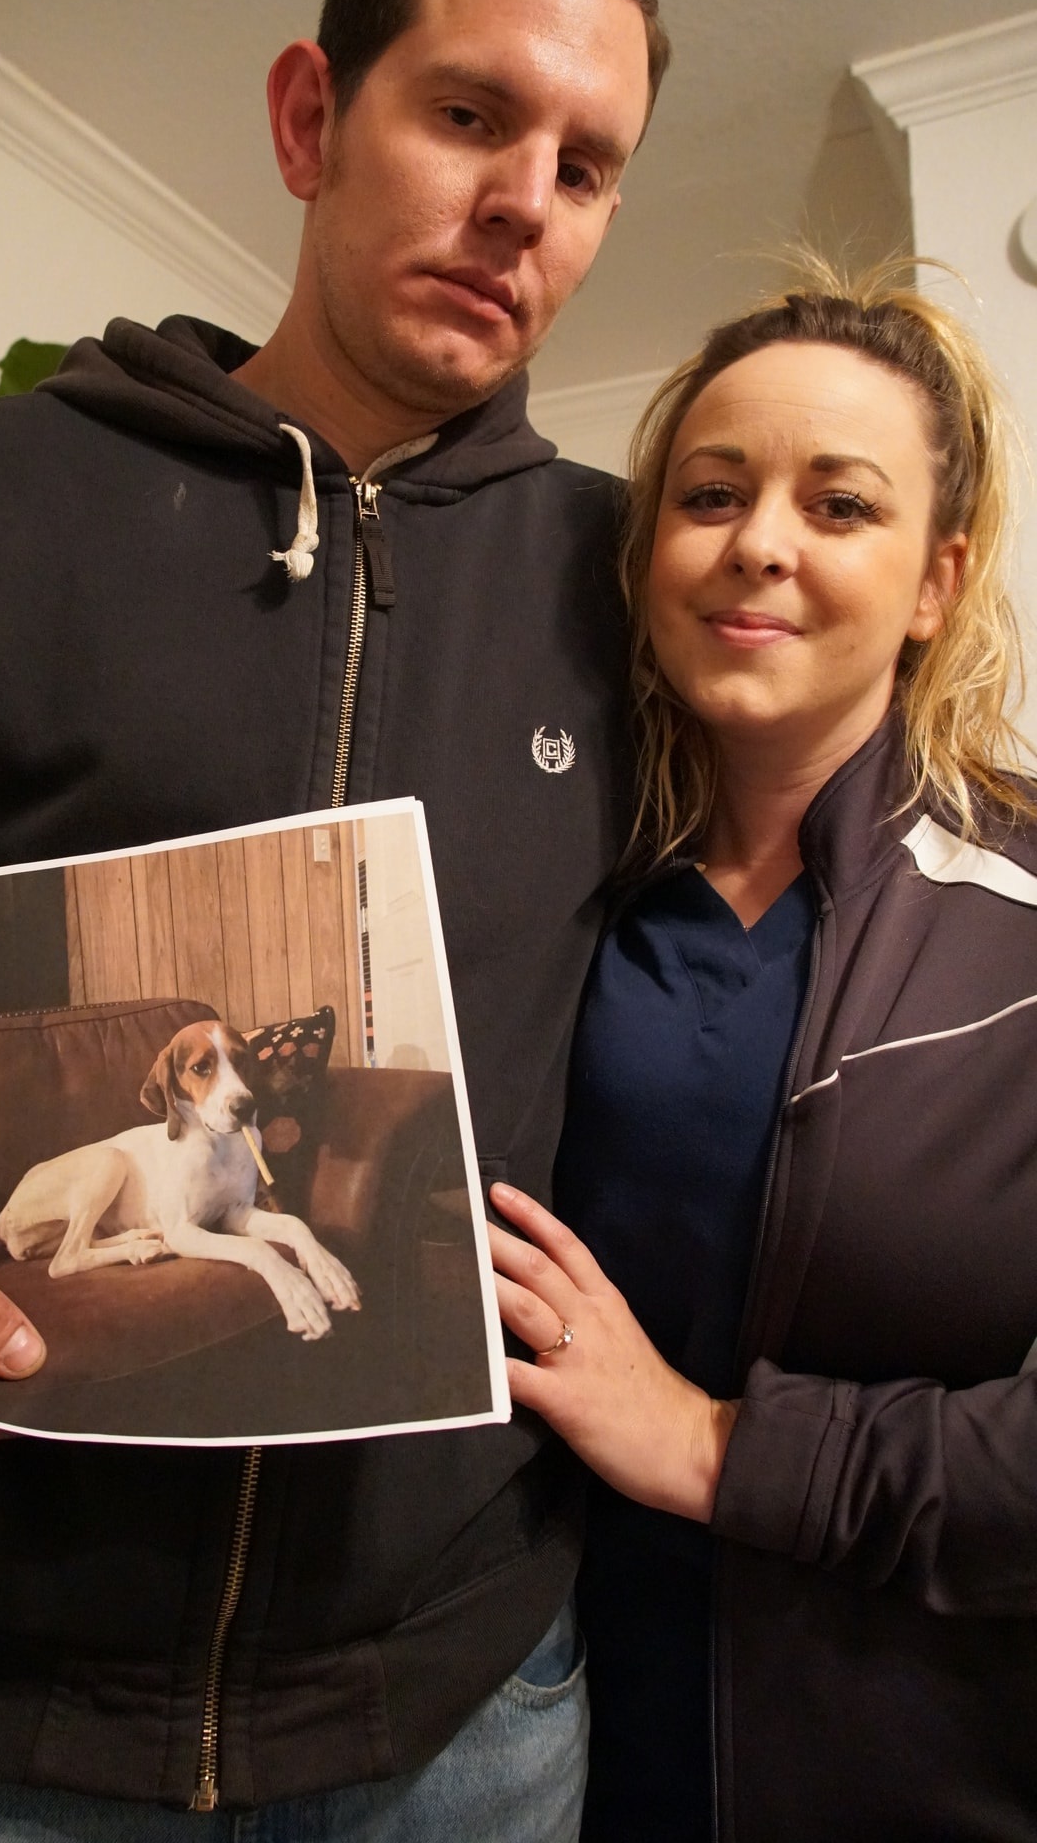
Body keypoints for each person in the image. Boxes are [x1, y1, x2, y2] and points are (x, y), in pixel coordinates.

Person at [0, 0, 669, 1843]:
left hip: (449, 1724)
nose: (521, 201)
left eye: (584, 167)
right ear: (312, 117)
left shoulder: (625, 581)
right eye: (470, 114)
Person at [488, 261, 1037, 1840]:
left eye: (841, 505)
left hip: (919, 1774)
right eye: (713, 493)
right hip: (557, 1754)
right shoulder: (564, 900)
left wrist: (721, 1449)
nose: (763, 545)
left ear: (936, 582)